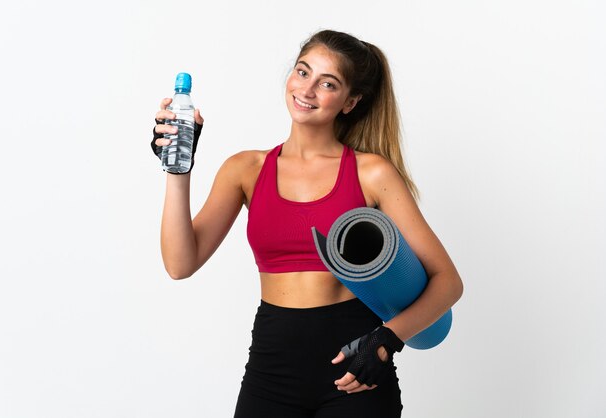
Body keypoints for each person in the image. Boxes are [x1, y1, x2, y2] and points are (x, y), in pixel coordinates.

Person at [151, 29, 463, 418]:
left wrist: (387, 340)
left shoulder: (371, 173)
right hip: (270, 372)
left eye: (327, 83)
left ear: (350, 101)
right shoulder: (245, 169)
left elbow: (448, 281)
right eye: (303, 72)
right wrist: (178, 168)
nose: (308, 89)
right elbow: (180, 264)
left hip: (354, 373)